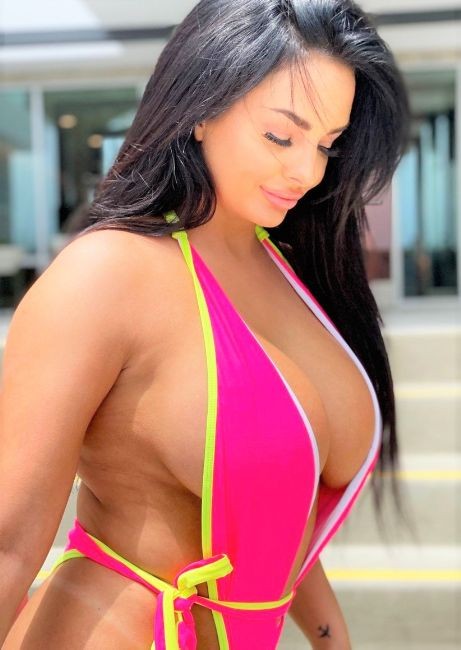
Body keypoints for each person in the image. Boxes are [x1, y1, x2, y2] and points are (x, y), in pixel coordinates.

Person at [0, 1, 415, 648]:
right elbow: (9, 542)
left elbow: (273, 505)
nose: (307, 171)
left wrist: (332, 638)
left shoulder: (288, 270)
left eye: (327, 145)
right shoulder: (106, 275)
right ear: (200, 108)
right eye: (280, 136)